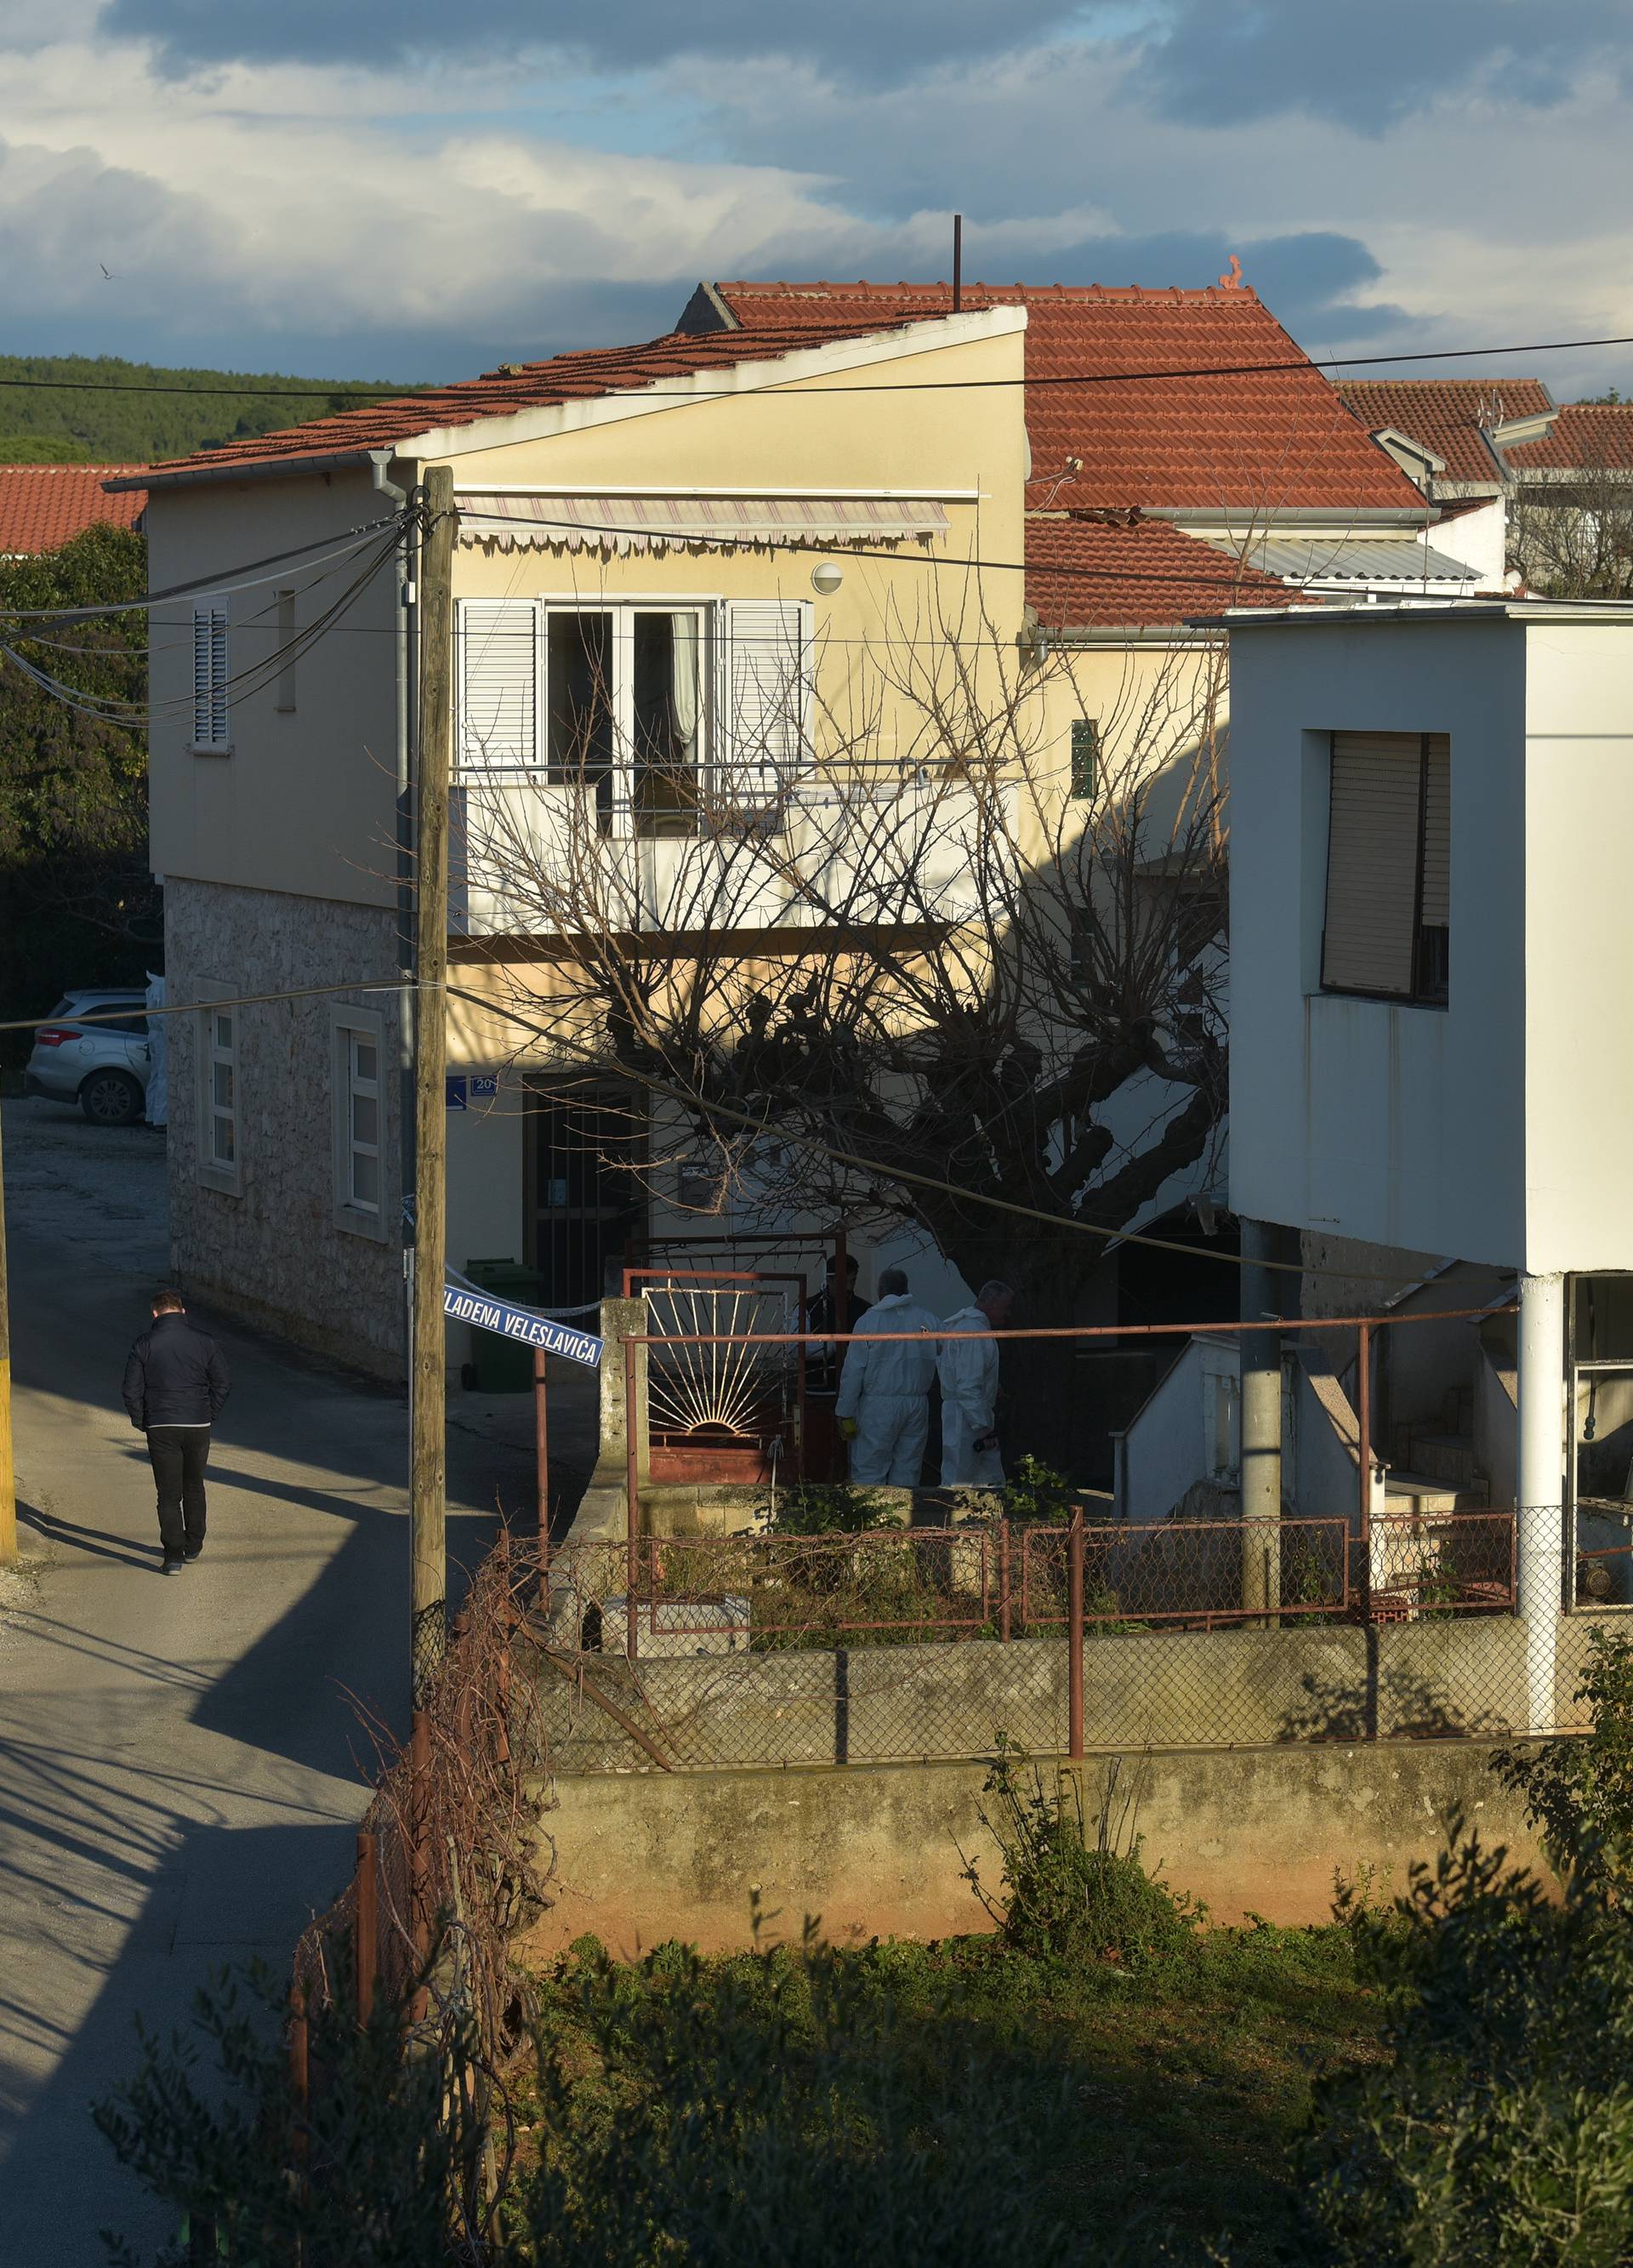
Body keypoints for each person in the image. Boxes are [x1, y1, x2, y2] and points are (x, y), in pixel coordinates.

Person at [122, 1288, 231, 1574]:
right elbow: (222, 1383)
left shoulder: (144, 1344)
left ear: (155, 1313)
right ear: (183, 1311)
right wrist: (209, 1412)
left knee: (168, 1494)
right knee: (194, 1486)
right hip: (197, 1423)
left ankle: (172, 1556)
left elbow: (131, 1390)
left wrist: (141, 1420)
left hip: (161, 1425)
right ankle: (193, 1545)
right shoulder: (205, 1342)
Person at [834, 1266, 941, 1486]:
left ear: (880, 1290)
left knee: (869, 1469)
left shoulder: (869, 1322)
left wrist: (844, 1411)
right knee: (908, 1469)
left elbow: (854, 1371)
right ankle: (903, 1517)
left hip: (878, 1405)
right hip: (917, 1403)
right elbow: (943, 1353)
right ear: (906, 1288)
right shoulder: (928, 1320)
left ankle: (871, 1517)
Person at [939, 1280, 1015, 1487]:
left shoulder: (966, 1327)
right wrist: (984, 1428)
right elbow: (968, 1387)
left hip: (970, 1414)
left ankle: (988, 1518)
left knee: (987, 1480)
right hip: (968, 1418)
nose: (1007, 1314)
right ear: (991, 1305)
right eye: (1005, 1308)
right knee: (960, 1481)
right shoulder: (973, 1332)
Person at [805, 1255, 870, 1393]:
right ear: (829, 1280)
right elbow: (795, 1348)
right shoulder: (807, 1308)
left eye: (852, 1281)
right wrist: (834, 1345)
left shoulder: (866, 1310)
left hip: (857, 1394)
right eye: (843, 1282)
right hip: (816, 1392)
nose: (849, 1287)